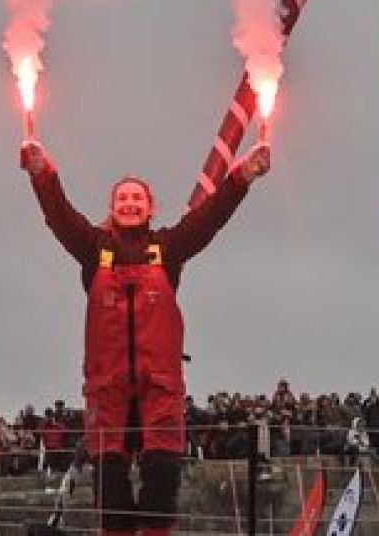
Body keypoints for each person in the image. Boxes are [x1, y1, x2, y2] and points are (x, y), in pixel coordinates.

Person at [21, 137, 270, 536]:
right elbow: (59, 216)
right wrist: (41, 173)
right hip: (107, 387)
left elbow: (210, 218)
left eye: (138, 198)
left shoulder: (168, 247)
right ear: (113, 207)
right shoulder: (92, 248)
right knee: (110, 489)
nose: (130, 204)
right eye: (123, 198)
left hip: (160, 386)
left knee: (162, 478)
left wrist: (243, 176)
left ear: (150, 207)